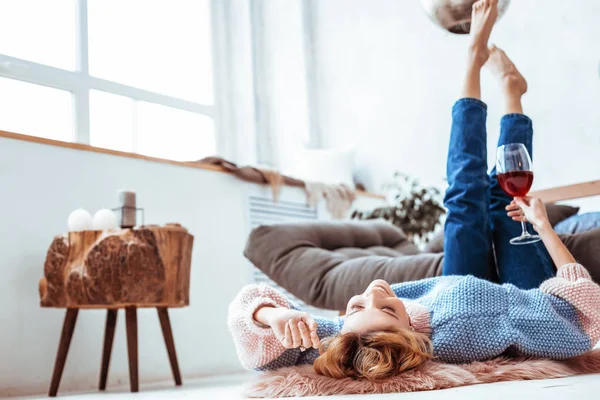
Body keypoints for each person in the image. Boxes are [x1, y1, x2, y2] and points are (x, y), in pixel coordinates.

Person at [228, 0, 600, 380]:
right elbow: (582, 310)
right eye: (387, 308)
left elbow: (248, 321)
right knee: (493, 202)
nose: (373, 292)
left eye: (355, 306)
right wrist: (544, 227)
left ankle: (482, 67)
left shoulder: (356, 337)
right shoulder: (463, 325)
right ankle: (505, 87)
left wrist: (274, 314)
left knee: (465, 199)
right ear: (414, 336)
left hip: (456, 280)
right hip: (519, 293)